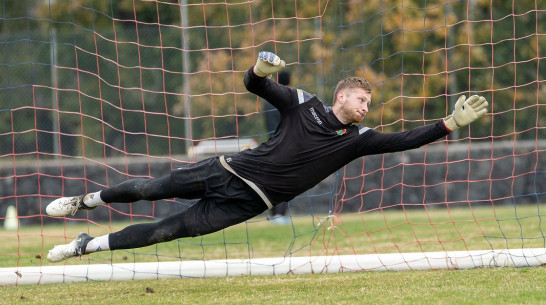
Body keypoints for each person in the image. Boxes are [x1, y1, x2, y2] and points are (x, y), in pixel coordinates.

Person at [45, 51, 488, 262]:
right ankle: (87, 202)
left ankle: (86, 245)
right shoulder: (303, 102)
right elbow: (256, 87)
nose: (366, 108)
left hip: (248, 204)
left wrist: (448, 124)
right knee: (149, 188)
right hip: (226, 171)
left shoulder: (358, 138)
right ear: (340, 96)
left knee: (167, 232)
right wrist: (260, 70)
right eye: (360, 100)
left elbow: (406, 140)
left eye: (369, 103)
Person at [264, 71, 290, 225]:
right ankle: (279, 215)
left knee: (272, 180)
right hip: (284, 145)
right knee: (285, 180)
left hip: (270, 144)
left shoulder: (268, 99)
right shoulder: (287, 98)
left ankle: (274, 214)